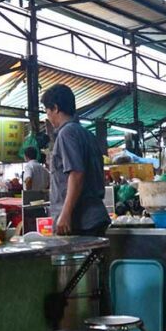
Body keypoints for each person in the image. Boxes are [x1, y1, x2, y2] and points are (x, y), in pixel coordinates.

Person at [42, 84, 110, 236]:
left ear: (55, 108)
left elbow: (77, 174)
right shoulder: (87, 134)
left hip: (80, 221)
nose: (47, 116)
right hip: (94, 218)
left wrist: (65, 214)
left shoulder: (67, 133)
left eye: (47, 111)